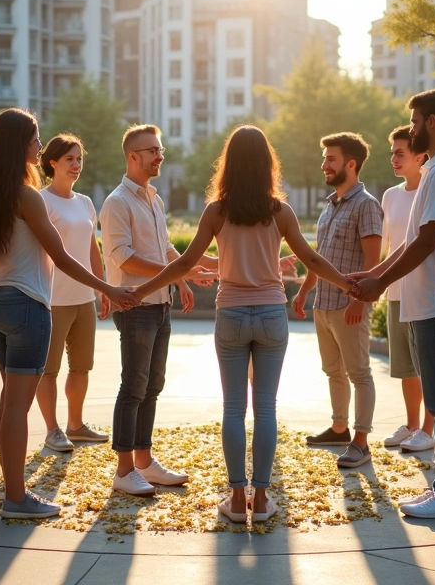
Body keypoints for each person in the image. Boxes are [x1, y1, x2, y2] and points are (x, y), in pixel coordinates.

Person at [133, 125, 352, 523]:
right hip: (271, 315)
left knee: (234, 409)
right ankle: (262, 499)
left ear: (229, 163)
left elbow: (185, 262)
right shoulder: (280, 211)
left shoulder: (216, 211)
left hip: (231, 314)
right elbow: (312, 260)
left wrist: (139, 290)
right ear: (268, 164)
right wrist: (351, 284)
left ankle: (237, 500)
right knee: (265, 408)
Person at [0, 109, 138, 519]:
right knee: (16, 408)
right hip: (27, 305)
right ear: (20, 143)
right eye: (35, 138)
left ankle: (12, 489)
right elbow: (63, 256)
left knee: (9, 403)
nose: (39, 145)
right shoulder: (27, 195)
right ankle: (16, 498)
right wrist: (109, 288)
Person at [350, 89, 435, 519]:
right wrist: (374, 275)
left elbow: (427, 241)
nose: (410, 130)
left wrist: (379, 282)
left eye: (413, 122)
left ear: (431, 121)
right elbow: (412, 240)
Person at [100, 124, 218, 496]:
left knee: (152, 385)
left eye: (160, 149)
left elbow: (166, 249)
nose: (159, 155)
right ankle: (124, 471)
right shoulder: (117, 202)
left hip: (160, 304)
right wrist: (179, 272)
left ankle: (144, 462)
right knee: (133, 386)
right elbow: (123, 258)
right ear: (133, 156)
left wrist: (182, 279)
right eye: (152, 150)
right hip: (135, 305)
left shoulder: (154, 199)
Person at [294, 132, 383, 469]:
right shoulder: (330, 205)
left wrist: (359, 302)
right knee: (333, 370)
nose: (324, 165)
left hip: (349, 307)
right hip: (324, 303)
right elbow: (320, 258)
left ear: (351, 164)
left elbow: (372, 259)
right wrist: (305, 290)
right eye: (324, 159)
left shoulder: (367, 205)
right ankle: (339, 428)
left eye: (330, 159)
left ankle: (361, 442)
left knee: (359, 373)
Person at [37, 134, 111, 452]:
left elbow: (93, 248)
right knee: (48, 370)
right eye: (69, 159)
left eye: (79, 159)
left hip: (84, 300)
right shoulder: (40, 201)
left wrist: (101, 288)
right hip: (51, 299)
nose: (76, 164)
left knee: (81, 367)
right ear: (52, 162)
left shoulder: (85, 203)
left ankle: (75, 425)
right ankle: (52, 430)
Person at [378, 126, 435, 453]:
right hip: (396, 291)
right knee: (405, 366)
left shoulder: (432, 190)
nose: (394, 159)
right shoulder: (390, 195)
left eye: (400, 153)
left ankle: (428, 430)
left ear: (419, 156)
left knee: (427, 366)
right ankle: (412, 425)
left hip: (424, 291)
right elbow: (390, 247)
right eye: (392, 153)